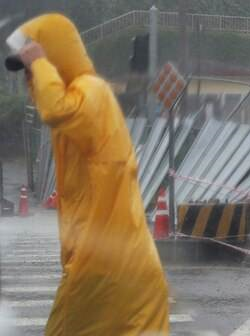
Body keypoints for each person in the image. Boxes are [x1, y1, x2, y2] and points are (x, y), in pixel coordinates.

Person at [4, 14, 169, 335]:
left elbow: (56, 109)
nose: (29, 77)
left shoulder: (91, 92)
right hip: (113, 260)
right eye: (26, 70)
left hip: (105, 265)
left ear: (56, 58)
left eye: (32, 66)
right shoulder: (82, 102)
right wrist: (39, 71)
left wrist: (39, 65)